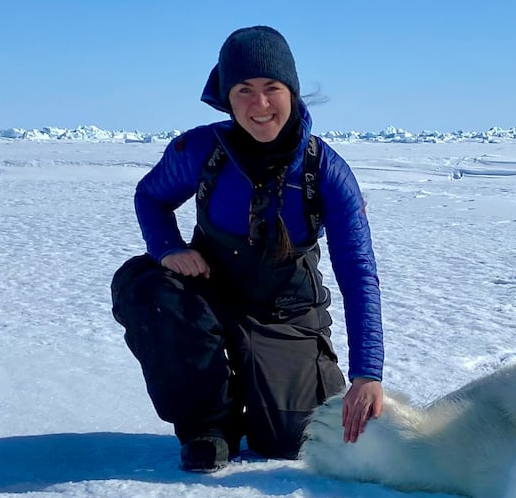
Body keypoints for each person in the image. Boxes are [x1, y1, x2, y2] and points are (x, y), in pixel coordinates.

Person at [111, 25, 384, 472]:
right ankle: (207, 426)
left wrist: (367, 374)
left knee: (292, 440)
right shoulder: (200, 150)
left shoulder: (326, 171)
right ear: (226, 96)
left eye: (272, 88)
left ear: (292, 93)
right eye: (244, 90)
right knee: (151, 292)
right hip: (211, 292)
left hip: (284, 310)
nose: (260, 105)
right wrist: (166, 248)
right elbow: (151, 196)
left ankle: (260, 383)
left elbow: (358, 273)